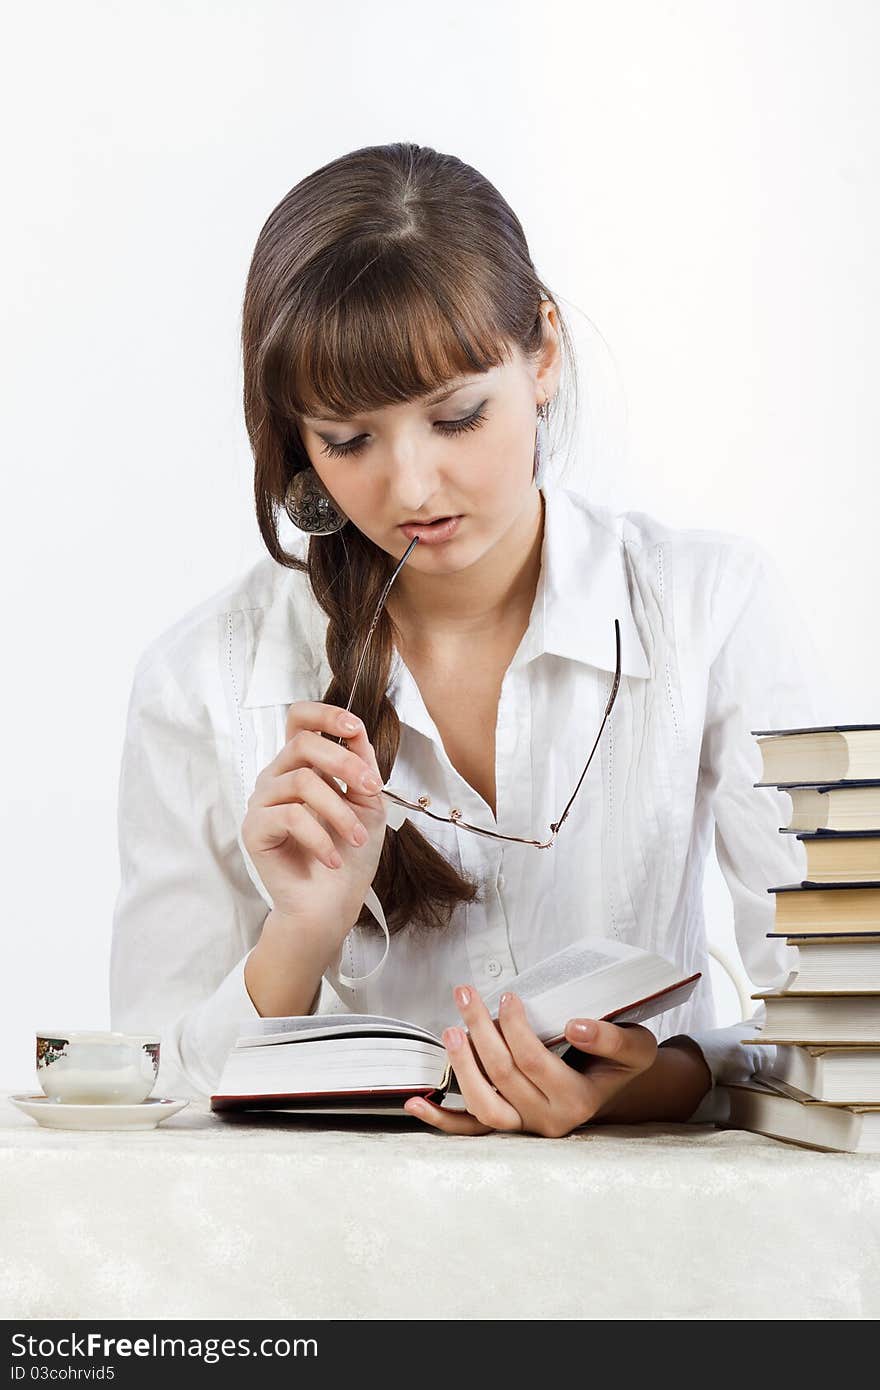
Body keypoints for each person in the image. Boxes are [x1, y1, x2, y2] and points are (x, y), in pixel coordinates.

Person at [109, 141, 830, 1135]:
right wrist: (303, 934)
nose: (409, 488)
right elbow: (139, 1103)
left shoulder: (711, 608)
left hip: (660, 1261)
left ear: (541, 353)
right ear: (295, 438)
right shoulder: (202, 680)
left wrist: (655, 1078)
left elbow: (840, 1020)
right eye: (348, 439)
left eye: (455, 417)